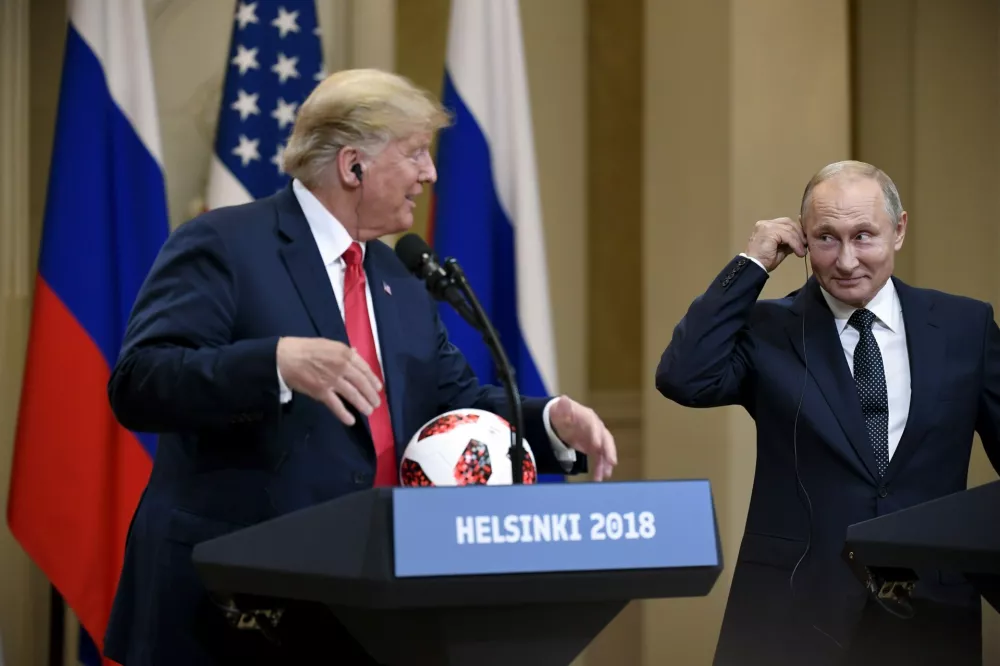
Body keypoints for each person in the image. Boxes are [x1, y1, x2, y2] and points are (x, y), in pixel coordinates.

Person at [102, 68, 617, 666]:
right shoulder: (224, 243)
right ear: (353, 166)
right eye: (417, 154)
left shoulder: (397, 276)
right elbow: (141, 381)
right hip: (230, 608)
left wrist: (552, 422)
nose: (430, 174)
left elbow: (449, 400)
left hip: (360, 607)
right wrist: (273, 363)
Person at [656, 160, 999, 666]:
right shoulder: (768, 328)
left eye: (864, 236)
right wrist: (751, 264)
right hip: (794, 610)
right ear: (802, 240)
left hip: (931, 609)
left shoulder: (964, 325)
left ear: (899, 230)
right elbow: (684, 377)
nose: (845, 260)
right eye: (826, 238)